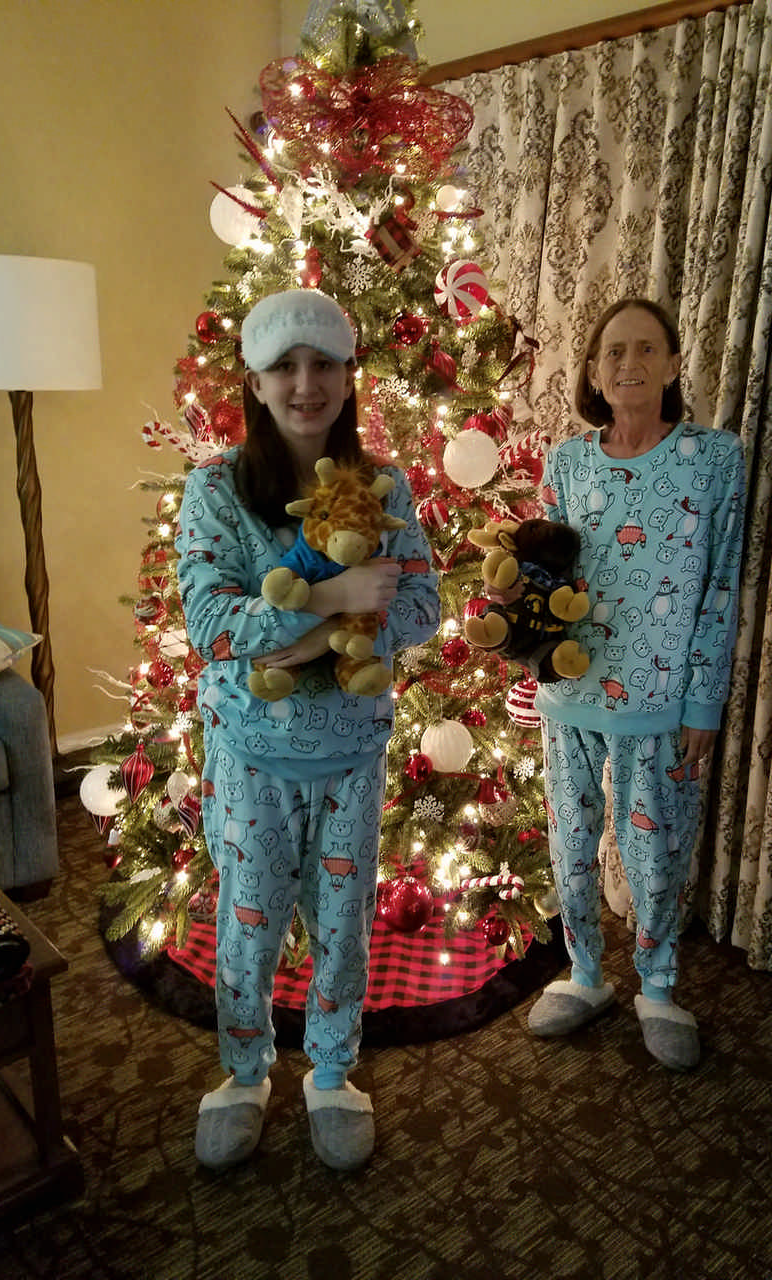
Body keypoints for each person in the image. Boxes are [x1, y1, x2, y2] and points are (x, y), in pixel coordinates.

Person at [175, 289, 440, 1170]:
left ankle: (331, 1072)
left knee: (343, 922)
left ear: (348, 374)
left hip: (352, 755)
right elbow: (209, 622)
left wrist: (300, 643)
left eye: (323, 363)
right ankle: (243, 1072)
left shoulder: (388, 487)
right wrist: (331, 612)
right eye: (285, 365)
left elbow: (423, 606)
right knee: (248, 923)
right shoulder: (217, 487)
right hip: (253, 757)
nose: (305, 383)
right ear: (254, 381)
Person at [525, 297, 746, 1070]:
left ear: (675, 364)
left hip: (661, 701)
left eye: (646, 349)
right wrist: (529, 654)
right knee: (571, 842)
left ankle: (657, 984)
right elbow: (536, 576)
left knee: (657, 853)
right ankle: (585, 974)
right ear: (592, 371)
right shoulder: (566, 462)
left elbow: (722, 585)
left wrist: (702, 699)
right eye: (613, 352)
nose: (629, 365)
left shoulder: (716, 460)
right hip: (569, 693)